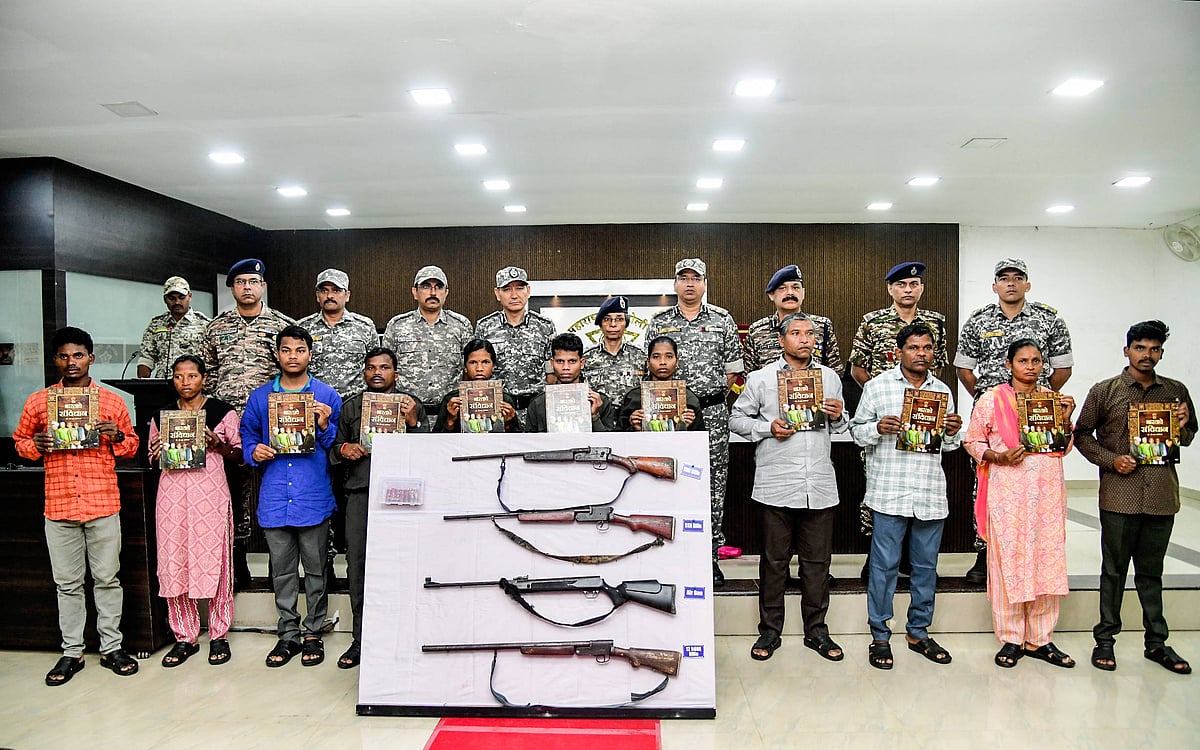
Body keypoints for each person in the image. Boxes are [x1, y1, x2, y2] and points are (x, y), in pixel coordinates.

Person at [14, 326, 140, 685]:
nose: (71, 362)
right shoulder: (39, 402)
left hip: (102, 501)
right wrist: (35, 444)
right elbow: (20, 443)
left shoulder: (111, 401)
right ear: (55, 360)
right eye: (64, 356)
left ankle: (112, 648)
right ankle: (72, 652)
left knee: (106, 579)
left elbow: (131, 445)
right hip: (59, 503)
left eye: (78, 355)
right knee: (67, 583)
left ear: (91, 358)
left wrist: (116, 435)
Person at [1074, 320, 1195, 675]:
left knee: (1151, 572)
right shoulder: (1105, 391)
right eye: (1140, 347)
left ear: (1161, 353)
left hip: (1161, 495)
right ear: (1126, 350)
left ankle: (1156, 642)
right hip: (1119, 496)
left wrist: (1184, 423)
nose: (1147, 355)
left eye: (1154, 349)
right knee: (1113, 571)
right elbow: (1081, 436)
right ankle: (1105, 640)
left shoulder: (1175, 390)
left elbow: (1187, 436)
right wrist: (1112, 460)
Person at [730, 314, 848, 662]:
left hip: (819, 484)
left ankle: (817, 631)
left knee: (817, 564)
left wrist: (840, 414)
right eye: (796, 333)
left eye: (810, 333)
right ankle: (769, 631)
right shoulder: (762, 378)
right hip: (776, 483)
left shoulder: (828, 378)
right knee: (774, 562)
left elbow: (841, 426)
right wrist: (768, 427)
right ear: (781, 340)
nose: (805, 339)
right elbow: (737, 419)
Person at [851, 323, 963, 670]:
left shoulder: (941, 390)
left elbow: (949, 445)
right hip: (890, 491)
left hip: (928, 490)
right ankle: (880, 635)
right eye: (914, 348)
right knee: (883, 567)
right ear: (898, 351)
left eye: (927, 348)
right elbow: (856, 432)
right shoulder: (877, 386)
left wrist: (952, 431)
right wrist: (877, 428)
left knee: (926, 567)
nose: (921, 354)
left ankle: (918, 631)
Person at [954, 258, 1073, 584]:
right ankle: (985, 552)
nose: (1010, 283)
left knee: (1038, 486)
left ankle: (1039, 552)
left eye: (1017, 278)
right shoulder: (978, 322)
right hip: (992, 415)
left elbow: (1062, 368)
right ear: (994, 285)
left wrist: (1037, 400)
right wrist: (987, 396)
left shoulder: (1049, 320)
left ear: (1027, 284)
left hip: (1038, 416)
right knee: (987, 483)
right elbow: (964, 368)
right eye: (1003, 278)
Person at [962, 340, 1076, 669]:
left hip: (1046, 494)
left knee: (1046, 559)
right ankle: (1011, 638)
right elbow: (972, 439)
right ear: (1009, 364)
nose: (1030, 366)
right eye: (1023, 360)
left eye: (1037, 360)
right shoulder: (991, 399)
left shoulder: (1052, 401)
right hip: (1007, 493)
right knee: (1007, 562)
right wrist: (997, 455)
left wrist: (1065, 418)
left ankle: (1040, 638)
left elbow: (1063, 448)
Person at [240, 325, 342, 668]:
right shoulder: (260, 398)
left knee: (316, 570)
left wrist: (326, 426)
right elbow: (247, 436)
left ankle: (314, 631)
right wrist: (254, 451)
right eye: (286, 350)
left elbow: (337, 450)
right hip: (274, 496)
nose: (293, 356)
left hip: (312, 495)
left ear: (310, 355)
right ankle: (288, 634)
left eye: (300, 350)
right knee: (281, 571)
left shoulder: (327, 397)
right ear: (277, 355)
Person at [848, 261, 948, 580]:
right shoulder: (872, 321)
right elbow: (857, 367)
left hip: (923, 419)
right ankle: (875, 554)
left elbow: (939, 364)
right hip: (884, 420)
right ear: (890, 288)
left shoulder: (935, 321)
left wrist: (924, 399)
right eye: (901, 285)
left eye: (914, 285)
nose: (908, 290)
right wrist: (881, 396)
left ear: (921, 288)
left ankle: (909, 557)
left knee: (920, 487)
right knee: (878, 487)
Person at [200, 258, 296, 589]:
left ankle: (278, 562)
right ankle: (236, 561)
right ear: (232, 288)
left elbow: (292, 371)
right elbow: (207, 374)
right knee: (232, 490)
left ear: (263, 287)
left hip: (271, 422)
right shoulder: (215, 327)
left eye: (253, 282)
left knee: (277, 488)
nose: (246, 288)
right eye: (240, 282)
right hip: (227, 424)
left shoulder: (282, 326)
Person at [647, 258, 743, 585]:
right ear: (674, 284)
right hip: (668, 413)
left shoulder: (722, 319)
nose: (689, 284)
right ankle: (668, 552)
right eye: (683, 278)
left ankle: (710, 556)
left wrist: (705, 402)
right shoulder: (659, 322)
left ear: (704, 283)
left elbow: (733, 372)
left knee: (714, 484)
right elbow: (651, 369)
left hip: (713, 412)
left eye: (695, 278)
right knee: (665, 477)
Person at [330, 347, 426, 669]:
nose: (377, 373)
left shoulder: (410, 404)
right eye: (371, 367)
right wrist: (344, 448)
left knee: (404, 567)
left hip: (402, 497)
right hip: (360, 494)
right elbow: (334, 448)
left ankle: (405, 638)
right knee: (357, 568)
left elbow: (429, 452)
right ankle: (361, 640)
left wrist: (412, 422)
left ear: (395, 374)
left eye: (384, 368)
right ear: (364, 372)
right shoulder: (351, 406)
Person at [148, 355, 241, 668]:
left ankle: (218, 634)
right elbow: (150, 456)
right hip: (172, 497)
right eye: (178, 376)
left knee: (215, 559)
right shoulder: (162, 416)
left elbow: (238, 453)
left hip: (209, 496)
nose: (185, 382)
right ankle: (184, 636)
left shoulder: (221, 412)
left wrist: (218, 443)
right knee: (175, 559)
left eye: (191, 376)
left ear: (204, 378)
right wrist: (157, 452)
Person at [382, 265, 474, 426]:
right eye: (426, 286)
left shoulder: (461, 325)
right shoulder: (397, 325)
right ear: (414, 292)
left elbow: (471, 370)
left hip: (450, 417)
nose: (433, 292)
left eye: (439, 287)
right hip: (407, 416)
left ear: (446, 292)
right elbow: (386, 371)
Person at [474, 266, 557, 427]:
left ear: (528, 290)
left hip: (535, 411)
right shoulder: (485, 327)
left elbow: (551, 373)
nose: (514, 295)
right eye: (507, 289)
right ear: (497, 293)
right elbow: (476, 371)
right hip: (498, 410)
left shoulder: (545, 326)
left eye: (519, 288)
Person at [742, 264, 842, 375]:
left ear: (803, 293)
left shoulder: (822, 326)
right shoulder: (757, 330)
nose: (790, 293)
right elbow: (749, 375)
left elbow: (835, 371)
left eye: (795, 287)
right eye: (782, 288)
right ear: (771, 295)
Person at [296, 268, 379, 401]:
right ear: (317, 296)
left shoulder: (365, 326)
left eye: (336, 290)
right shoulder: (303, 328)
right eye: (324, 291)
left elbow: (376, 367)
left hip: (355, 405)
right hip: (314, 403)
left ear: (347, 295)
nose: (330, 296)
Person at [525, 333, 616, 432]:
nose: (566, 367)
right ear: (552, 363)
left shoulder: (599, 401)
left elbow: (609, 443)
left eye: (572, 361)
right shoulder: (538, 403)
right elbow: (530, 443)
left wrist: (594, 416)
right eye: (560, 361)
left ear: (581, 363)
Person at [432, 339, 521, 433]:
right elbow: (438, 442)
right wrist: (450, 421)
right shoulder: (452, 400)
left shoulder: (505, 400)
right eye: (473, 362)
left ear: (493, 366)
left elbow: (517, 441)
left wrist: (507, 423)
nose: (479, 369)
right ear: (465, 367)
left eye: (485, 362)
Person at [618, 336, 705, 432]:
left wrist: (686, 426)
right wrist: (634, 427)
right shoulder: (634, 397)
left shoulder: (688, 398)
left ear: (677, 362)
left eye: (669, 357)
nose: (662, 362)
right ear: (648, 362)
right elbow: (619, 438)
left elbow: (699, 441)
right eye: (656, 357)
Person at [137, 276, 211, 379]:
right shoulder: (156, 324)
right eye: (172, 298)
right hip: (163, 386)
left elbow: (212, 361)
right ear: (165, 299)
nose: (177, 302)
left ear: (190, 296)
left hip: (191, 386)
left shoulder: (205, 324)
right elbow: (147, 357)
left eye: (181, 297)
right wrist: (142, 383)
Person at [582, 296, 646, 406]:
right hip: (597, 419)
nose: (613, 324)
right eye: (607, 319)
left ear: (626, 324)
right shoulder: (587, 357)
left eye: (619, 319)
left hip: (630, 420)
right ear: (600, 325)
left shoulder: (641, 356)